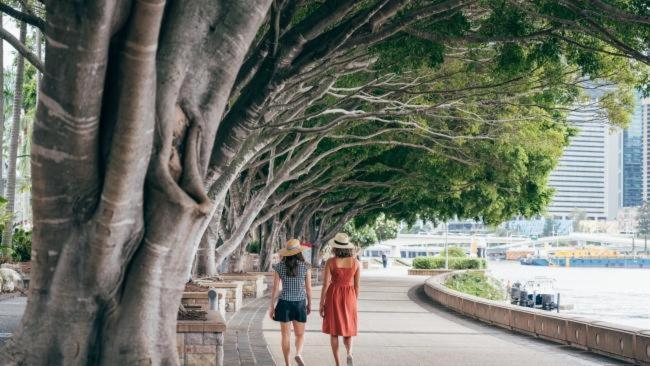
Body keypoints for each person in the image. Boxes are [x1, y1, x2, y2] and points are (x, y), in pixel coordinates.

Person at [269, 239, 312, 366]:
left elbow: (276, 289)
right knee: (299, 335)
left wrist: (272, 307)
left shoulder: (279, 266)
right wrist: (310, 304)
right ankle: (298, 353)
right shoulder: (306, 266)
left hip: (284, 303)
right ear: (299, 252)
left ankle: (287, 364)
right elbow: (308, 288)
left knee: (285, 336)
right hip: (299, 303)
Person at [320, 233, 361, 366]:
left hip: (333, 295)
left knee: (334, 332)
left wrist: (321, 303)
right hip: (350, 296)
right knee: (347, 330)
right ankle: (349, 353)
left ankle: (338, 364)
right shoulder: (356, 263)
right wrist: (355, 301)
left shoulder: (331, 262)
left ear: (335, 247)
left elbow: (325, 284)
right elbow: (357, 285)